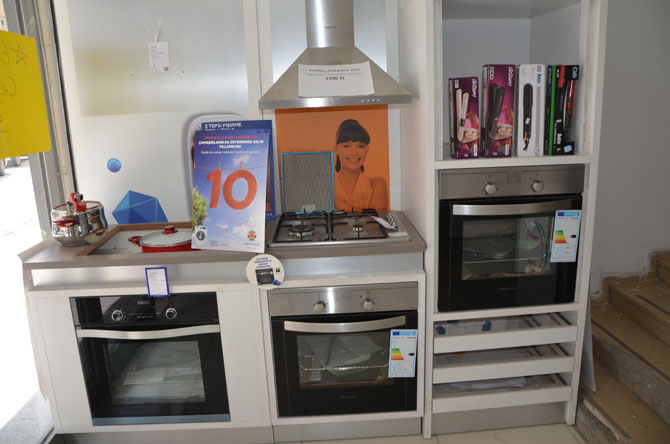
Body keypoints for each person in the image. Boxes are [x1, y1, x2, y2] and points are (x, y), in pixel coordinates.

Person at [333, 119, 388, 212]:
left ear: (367, 149)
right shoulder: (327, 186)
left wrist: (343, 206)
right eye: (347, 146)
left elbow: (376, 216)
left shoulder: (377, 184)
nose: (354, 153)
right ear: (336, 149)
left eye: (360, 146)